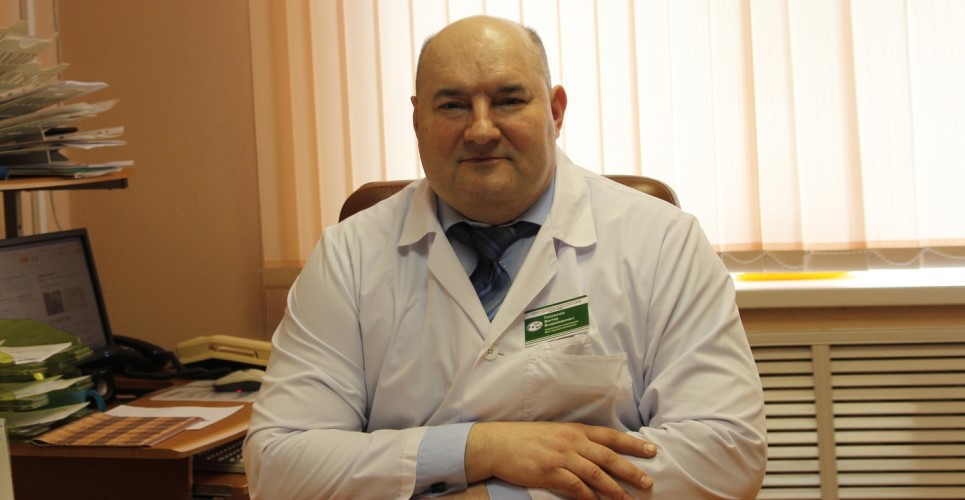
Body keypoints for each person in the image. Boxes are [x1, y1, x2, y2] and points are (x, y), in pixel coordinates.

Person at [244, 15, 767, 500]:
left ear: (555, 112)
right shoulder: (350, 255)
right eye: (452, 105)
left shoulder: (662, 242)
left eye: (509, 100)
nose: (481, 130)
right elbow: (277, 462)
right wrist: (477, 448)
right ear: (417, 119)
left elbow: (726, 450)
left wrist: (501, 496)